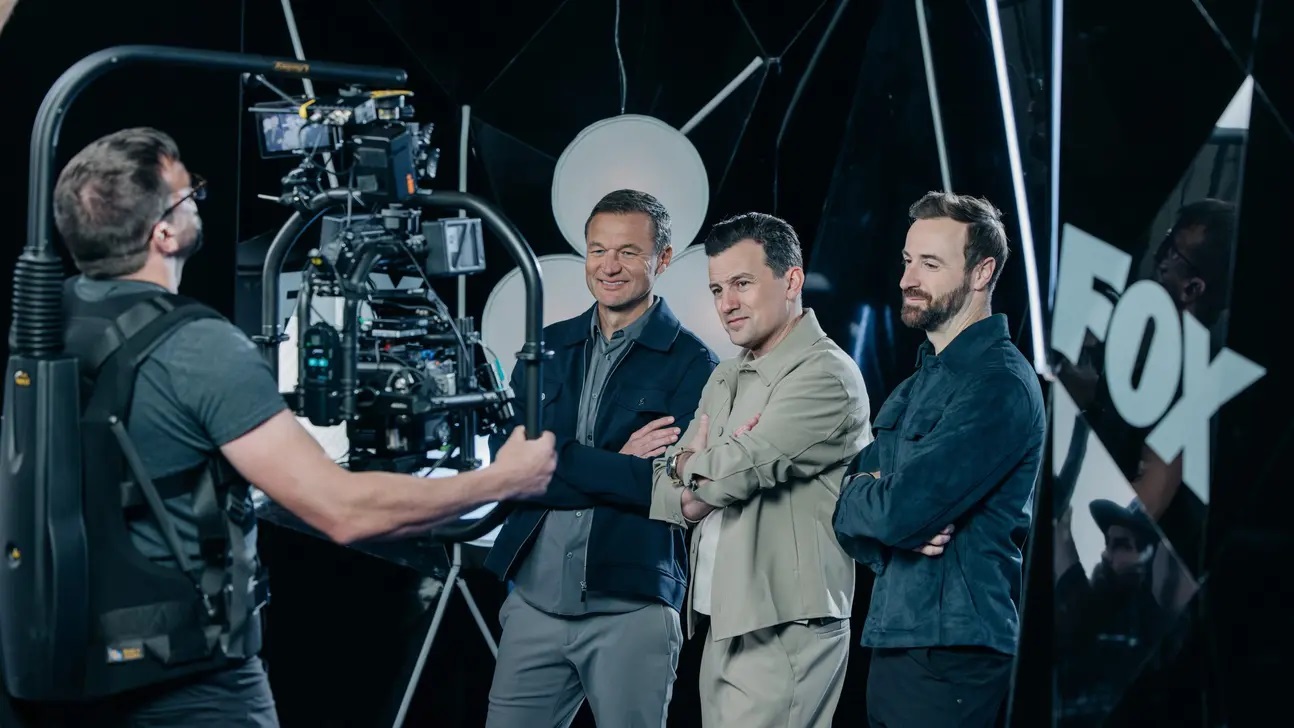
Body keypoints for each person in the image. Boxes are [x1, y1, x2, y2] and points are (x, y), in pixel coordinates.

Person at [28, 127, 557, 727]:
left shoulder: (54, 319)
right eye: (188, 193)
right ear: (163, 232)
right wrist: (504, 480)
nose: (198, 199)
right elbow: (344, 511)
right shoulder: (199, 347)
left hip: (73, 654)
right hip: (190, 674)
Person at [482, 189, 718, 728]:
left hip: (631, 609)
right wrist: (617, 460)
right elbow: (509, 467)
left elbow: (666, 488)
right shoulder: (546, 349)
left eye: (628, 252)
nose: (609, 266)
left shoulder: (694, 365)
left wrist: (560, 461)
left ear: (661, 259)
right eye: (597, 250)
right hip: (533, 605)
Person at [832, 191, 1046, 728]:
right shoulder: (919, 381)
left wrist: (883, 509)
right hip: (898, 634)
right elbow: (853, 509)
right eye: (908, 260)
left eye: (930, 263)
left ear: (982, 273)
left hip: (954, 650)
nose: (908, 278)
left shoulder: (998, 384)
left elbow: (896, 509)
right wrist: (873, 505)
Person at [649, 212, 871, 728]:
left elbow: (732, 474)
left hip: (785, 628)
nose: (727, 303)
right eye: (717, 288)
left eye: (743, 284)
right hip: (723, 619)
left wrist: (690, 467)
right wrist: (691, 472)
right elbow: (667, 486)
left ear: (791, 279)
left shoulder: (826, 375)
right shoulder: (726, 374)